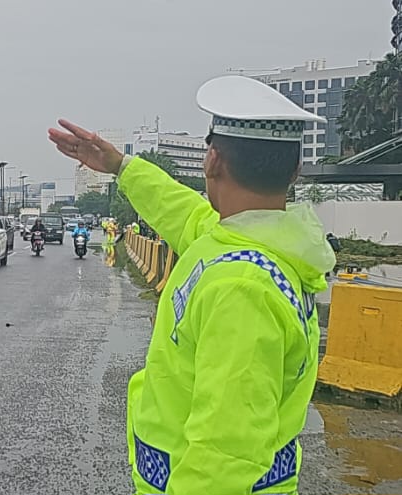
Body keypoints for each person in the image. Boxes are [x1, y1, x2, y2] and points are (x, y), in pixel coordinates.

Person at [49, 75, 335, 495]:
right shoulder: (254, 243)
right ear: (294, 170)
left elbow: (224, 456)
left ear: (212, 161)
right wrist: (120, 167)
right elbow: (180, 211)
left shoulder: (241, 287)